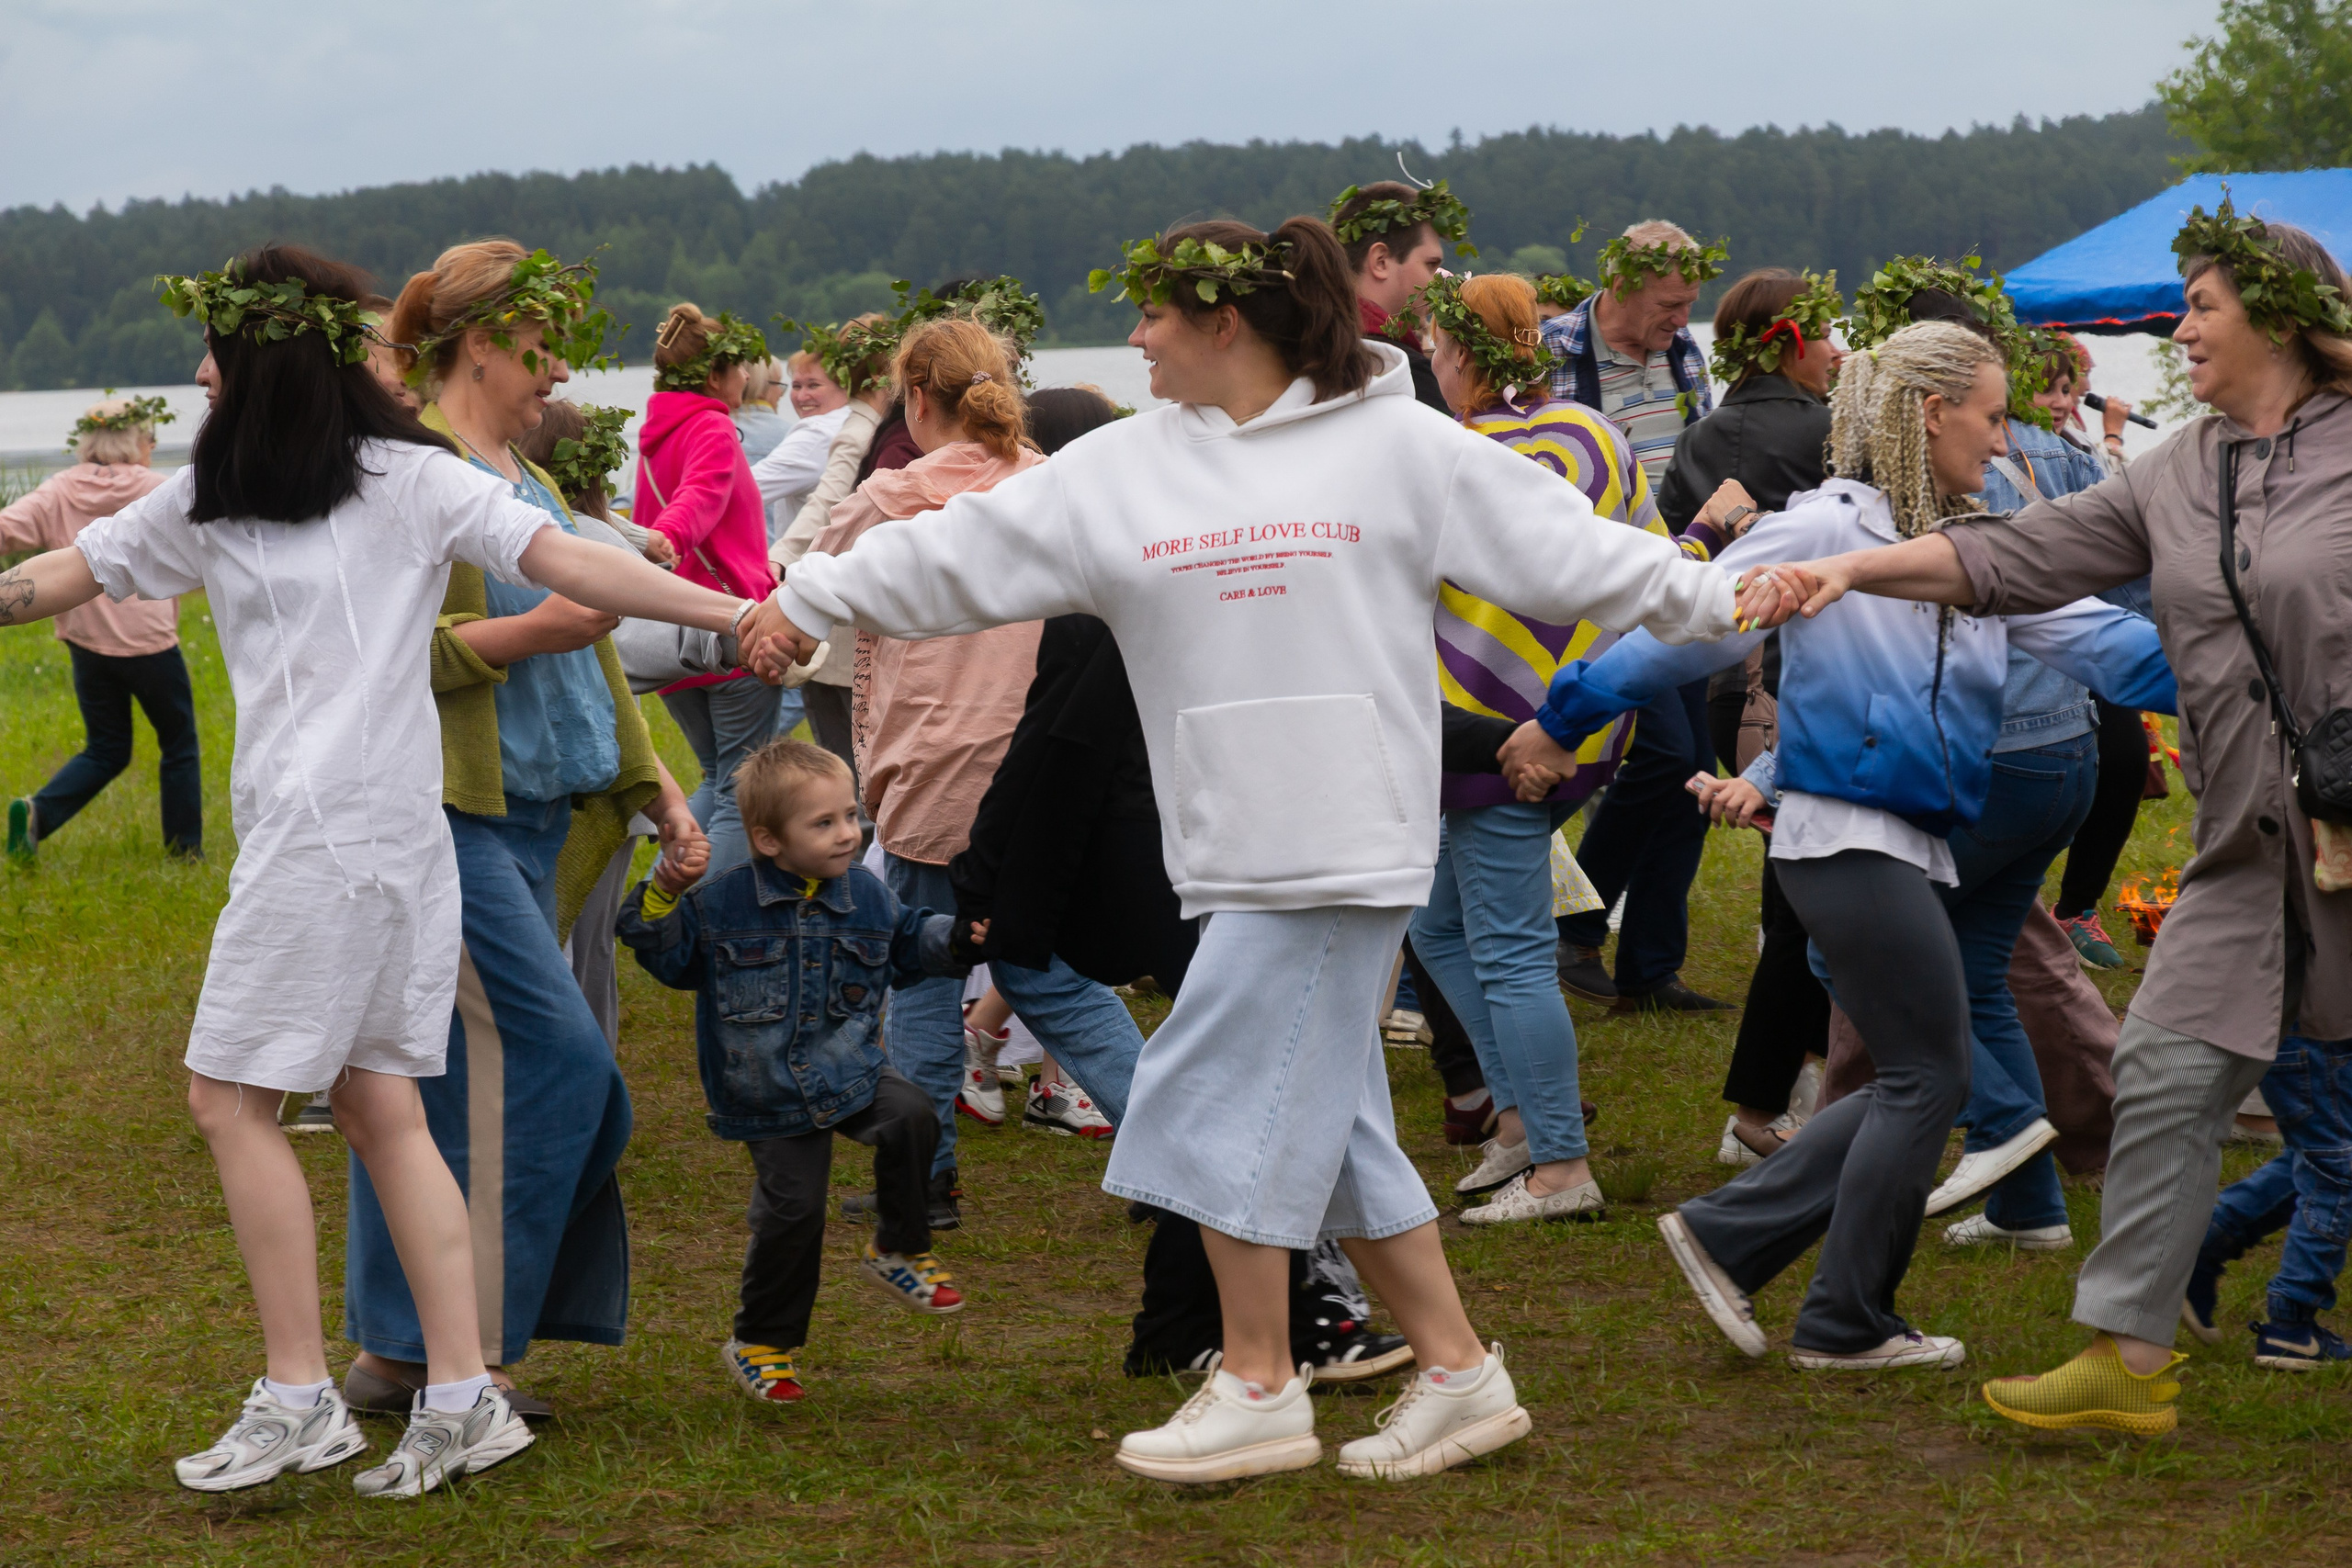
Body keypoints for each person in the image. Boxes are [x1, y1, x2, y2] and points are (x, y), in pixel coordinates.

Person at [744, 211, 1743, 1481]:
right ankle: (1458, 1371)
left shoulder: (1402, 447)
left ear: (1228, 321)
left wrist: (1729, 592)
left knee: (1207, 1086)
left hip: (1348, 837)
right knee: (1332, 1121)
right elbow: (957, 553)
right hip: (1223, 838)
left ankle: (1262, 1377)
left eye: (1156, 312)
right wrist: (803, 596)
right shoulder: (1124, 469)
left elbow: (1583, 553)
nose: (1139, 335)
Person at [0, 243, 748, 1495]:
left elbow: (574, 561)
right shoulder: (223, 493)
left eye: (218, 354)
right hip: (398, 844)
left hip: (329, 841)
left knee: (227, 1101)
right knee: (379, 1106)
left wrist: (737, 612)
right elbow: (49, 579)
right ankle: (462, 1394)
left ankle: (300, 1394)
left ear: (271, 363)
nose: (197, 371)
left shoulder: (403, 480)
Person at [1734, 202, 2352, 1427]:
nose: (2179, 328)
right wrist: (1849, 568)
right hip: (2251, 844)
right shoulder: (2179, 469)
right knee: (2169, 1070)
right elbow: (2008, 558)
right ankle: (2126, 1359)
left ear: (2280, 317)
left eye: (2202, 306)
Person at [1522, 321, 2174, 1372]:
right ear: (1929, 414)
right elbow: (1680, 634)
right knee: (1930, 1076)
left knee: (1918, 1071)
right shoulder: (1815, 529)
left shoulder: (1968, 542)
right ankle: (1838, 1318)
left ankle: (1739, 1239)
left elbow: (2102, 644)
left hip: (1904, 843)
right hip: (1842, 838)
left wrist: (2250, 669)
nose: (2005, 443)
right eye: (1994, 417)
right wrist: (1559, 722)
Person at [946, 383, 1412, 1382]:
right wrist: (986, 878)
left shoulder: (1155, 576)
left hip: (1172, 866)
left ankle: (1188, 1330)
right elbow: (1051, 746)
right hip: (1136, 878)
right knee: (1228, 1113)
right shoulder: (1117, 593)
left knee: (1212, 1108)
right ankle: (1283, 1325)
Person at [342, 240, 708, 1425]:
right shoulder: (412, 477)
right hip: (449, 822)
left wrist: (654, 784)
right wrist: (521, 636)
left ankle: (403, 1354)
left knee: (444, 1084)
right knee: (557, 1068)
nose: (561, 367)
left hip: (543, 821)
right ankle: (463, 1352)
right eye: (543, 344)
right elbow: (376, 661)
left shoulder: (528, 480)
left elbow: (592, 640)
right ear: (484, 340)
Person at [1409, 270, 1671, 1224]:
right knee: (1436, 925)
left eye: (1434, 350)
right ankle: (1519, 1123)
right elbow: (1648, 557)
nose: (1428, 367)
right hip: (1584, 718)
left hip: (1481, 731)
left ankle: (1559, 1163)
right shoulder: (1593, 432)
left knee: (1511, 950)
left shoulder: (1448, 453)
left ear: (1457, 353)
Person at [615, 739, 975, 1404]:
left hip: (852, 1066)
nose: (848, 833)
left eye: (850, 815)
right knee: (794, 1211)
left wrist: (956, 938)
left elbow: (905, 940)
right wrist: (663, 892)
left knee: (913, 1113)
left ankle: (898, 1246)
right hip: (767, 1091)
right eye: (824, 822)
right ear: (767, 839)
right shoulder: (723, 900)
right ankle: (761, 1342)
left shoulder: (864, 890)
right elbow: (667, 959)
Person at [808, 316, 1044, 1229]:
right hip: (1035, 759)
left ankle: (924, 1174)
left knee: (926, 972)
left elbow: (817, 566)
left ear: (915, 399)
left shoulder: (896, 496)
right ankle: (1168, 1155)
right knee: (1058, 971)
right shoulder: (1050, 482)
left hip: (937, 762)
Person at [1657, 269, 1844, 1156]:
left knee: (1797, 893)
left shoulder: (1698, 435)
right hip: (1797, 679)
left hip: (1718, 676)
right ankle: (1769, 1104)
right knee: (1806, 902)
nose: (1841, 353)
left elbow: (1668, 554)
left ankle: (1782, 1092)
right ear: (1790, 342)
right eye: (1829, 336)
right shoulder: (1837, 435)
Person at [1541, 220, 1731, 1012]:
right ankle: (1576, 930)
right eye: (1670, 303)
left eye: (1691, 303)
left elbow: (1700, 444)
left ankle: (1651, 968)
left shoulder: (1685, 352)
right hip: (1594, 587)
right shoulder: (1552, 351)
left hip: (1676, 572)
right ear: (1619, 283)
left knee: (1690, 776)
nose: (1682, 319)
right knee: (1665, 754)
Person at [4, 395, 195, 863]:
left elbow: (6, 529)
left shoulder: (57, 491)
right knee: (179, 744)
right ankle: (185, 852)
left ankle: (38, 814)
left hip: (88, 646)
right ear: (139, 441)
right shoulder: (157, 489)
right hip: (150, 646)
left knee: (107, 748)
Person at [636, 303, 784, 877]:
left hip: (669, 633)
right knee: (739, 791)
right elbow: (702, 493)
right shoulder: (712, 426)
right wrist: (670, 537)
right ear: (716, 375)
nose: (748, 377)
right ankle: (681, 912)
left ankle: (656, 895)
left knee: (716, 777)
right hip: (728, 630)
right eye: (740, 368)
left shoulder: (655, 435)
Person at [2031, 333, 2156, 970]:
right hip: (2030, 639)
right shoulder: (2002, 446)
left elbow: (2123, 518)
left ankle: (2078, 905)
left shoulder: (2074, 443)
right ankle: (2015, 902)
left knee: (2126, 757)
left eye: (2068, 391)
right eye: (2048, 388)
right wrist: (2112, 437)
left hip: (2091, 624)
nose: (2058, 403)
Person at [771, 314, 897, 795]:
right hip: (842, 645)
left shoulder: (871, 425)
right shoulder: (858, 430)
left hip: (848, 636)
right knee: (852, 774)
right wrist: (781, 557)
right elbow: (827, 505)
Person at [1328, 179, 1456, 411]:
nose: (1437, 282)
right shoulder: (1403, 371)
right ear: (1381, 261)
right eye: (1430, 265)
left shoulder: (1306, 353)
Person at [750, 348, 853, 543]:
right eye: (796, 386)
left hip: (808, 563)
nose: (801, 396)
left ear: (844, 387)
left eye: (813, 386)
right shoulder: (859, 422)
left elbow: (747, 489)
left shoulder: (816, 434)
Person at [734, 356, 790, 466]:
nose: (780, 392)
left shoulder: (709, 427)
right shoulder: (790, 434)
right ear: (760, 387)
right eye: (777, 383)